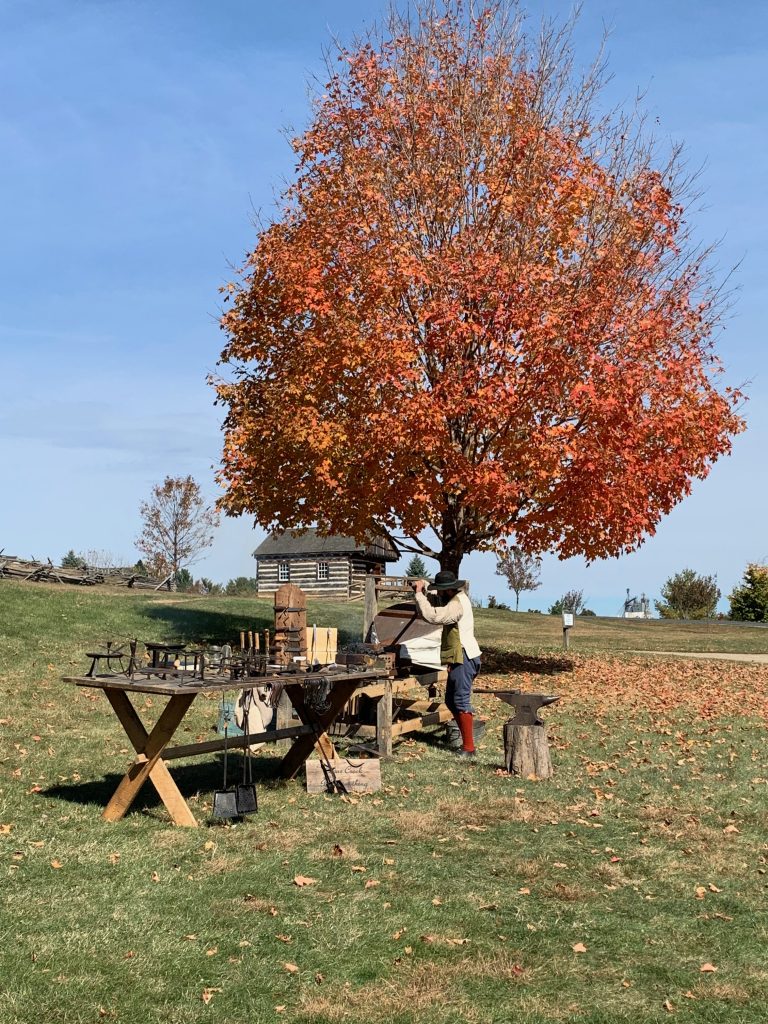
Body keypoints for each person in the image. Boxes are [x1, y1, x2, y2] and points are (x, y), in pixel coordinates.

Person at [412, 570, 482, 757]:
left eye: (440, 590)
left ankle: (469, 748)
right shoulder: (455, 597)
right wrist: (424, 586)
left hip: (464, 657)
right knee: (451, 700)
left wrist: (419, 594)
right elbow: (437, 598)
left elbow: (434, 616)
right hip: (460, 657)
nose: (438, 593)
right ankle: (466, 742)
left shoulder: (456, 605)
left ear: (448, 590)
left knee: (459, 701)